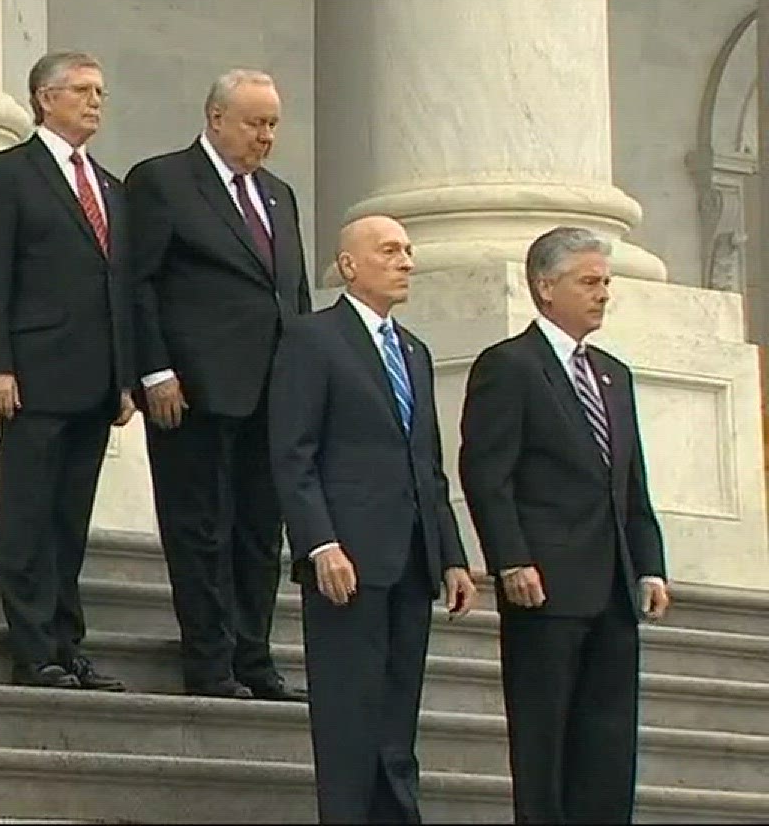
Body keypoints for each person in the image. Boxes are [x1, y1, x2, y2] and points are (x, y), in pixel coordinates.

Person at [268, 215, 476, 823]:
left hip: (410, 559)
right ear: (350, 264)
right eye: (390, 250)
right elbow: (293, 451)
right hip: (347, 560)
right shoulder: (314, 339)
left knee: (396, 711)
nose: (406, 261)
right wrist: (319, 543)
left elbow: (427, 464)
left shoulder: (414, 351)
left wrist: (451, 554)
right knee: (347, 713)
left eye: (409, 250)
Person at [459, 227, 669, 825]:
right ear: (545, 287)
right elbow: (487, 472)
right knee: (545, 742)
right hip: (545, 588)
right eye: (589, 281)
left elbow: (630, 481)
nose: (603, 293)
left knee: (606, 748)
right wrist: (510, 559)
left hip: (613, 587)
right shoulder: (509, 367)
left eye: (605, 282)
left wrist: (649, 563)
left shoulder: (614, 375)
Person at [123, 68, 311, 701]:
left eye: (273, 124)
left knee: (261, 530)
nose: (266, 136)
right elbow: (138, 284)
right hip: (193, 390)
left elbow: (295, 297)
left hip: (272, 392)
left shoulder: (279, 196)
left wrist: (307, 381)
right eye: (256, 123)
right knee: (201, 526)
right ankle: (210, 661)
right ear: (216, 119)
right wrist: (154, 371)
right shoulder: (163, 181)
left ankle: (255, 658)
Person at [0, 50, 137, 691]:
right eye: (83, 90)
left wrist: (125, 377)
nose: (96, 102)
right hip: (33, 375)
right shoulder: (7, 173)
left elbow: (119, 286)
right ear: (44, 97)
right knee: (29, 514)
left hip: (95, 380)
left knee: (71, 519)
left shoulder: (112, 188)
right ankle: (33, 647)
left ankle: (69, 642)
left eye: (102, 91)